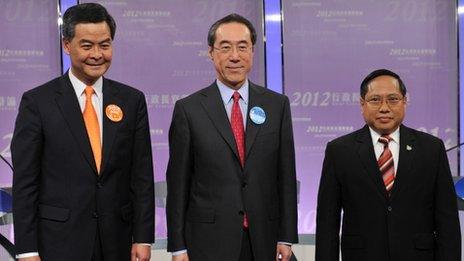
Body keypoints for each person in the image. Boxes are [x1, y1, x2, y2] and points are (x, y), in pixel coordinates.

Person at [11, 3, 154, 261]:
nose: (97, 54)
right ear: (67, 45)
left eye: (105, 45)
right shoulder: (38, 102)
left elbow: (141, 176)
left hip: (117, 241)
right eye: (87, 46)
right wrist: (27, 250)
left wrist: (143, 237)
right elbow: (25, 184)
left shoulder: (132, 100)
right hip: (58, 242)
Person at [165, 13, 298, 261]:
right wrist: (178, 246)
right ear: (211, 53)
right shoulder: (189, 109)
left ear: (253, 52)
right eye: (225, 48)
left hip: (264, 239)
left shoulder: (277, 105)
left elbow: (286, 176)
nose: (234, 56)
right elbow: (178, 183)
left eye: (242, 47)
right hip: (208, 241)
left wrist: (286, 236)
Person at [315, 69, 461, 261]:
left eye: (393, 99)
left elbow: (447, 220)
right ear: (362, 104)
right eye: (375, 100)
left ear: (405, 102)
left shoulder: (431, 148)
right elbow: (327, 222)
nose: (384, 107)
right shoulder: (339, 151)